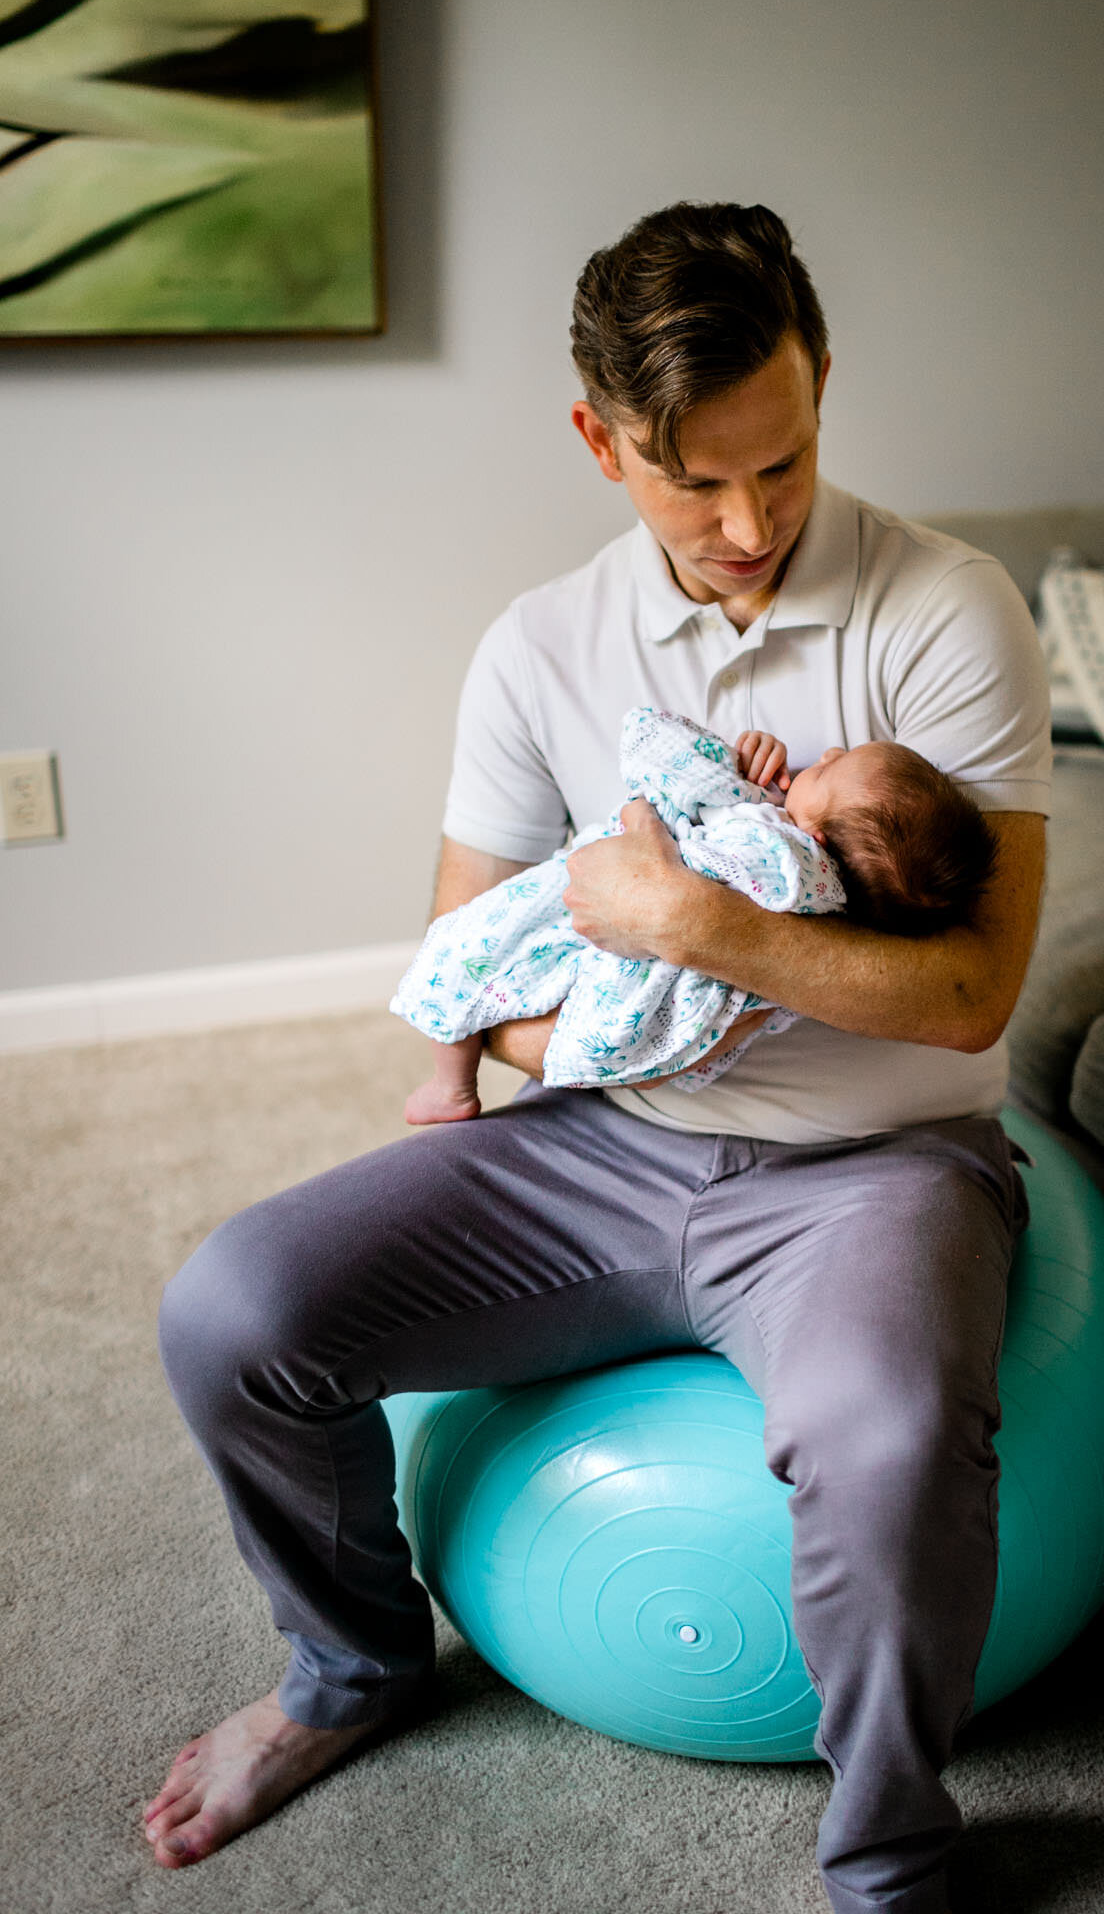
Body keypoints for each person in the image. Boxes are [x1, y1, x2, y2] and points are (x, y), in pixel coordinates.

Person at [145, 200, 1050, 1914]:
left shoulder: (949, 611)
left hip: (875, 1170)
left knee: (891, 1429)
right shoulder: (541, 646)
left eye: (781, 466)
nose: (745, 523)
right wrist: (591, 1023)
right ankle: (350, 1669)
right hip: (602, 1135)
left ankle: (892, 1853)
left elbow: (966, 995)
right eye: (693, 478)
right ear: (599, 438)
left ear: (822, 383)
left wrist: (694, 929)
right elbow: (458, 959)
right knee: (234, 1313)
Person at [394, 705, 1000, 1123]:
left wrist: (713, 784)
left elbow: (675, 782)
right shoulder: (815, 883)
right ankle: (454, 1079)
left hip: (608, 933)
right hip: (627, 978)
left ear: (816, 834)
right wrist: (756, 774)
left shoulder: (782, 858)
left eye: (829, 768)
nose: (830, 749)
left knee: (466, 952)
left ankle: (453, 1087)